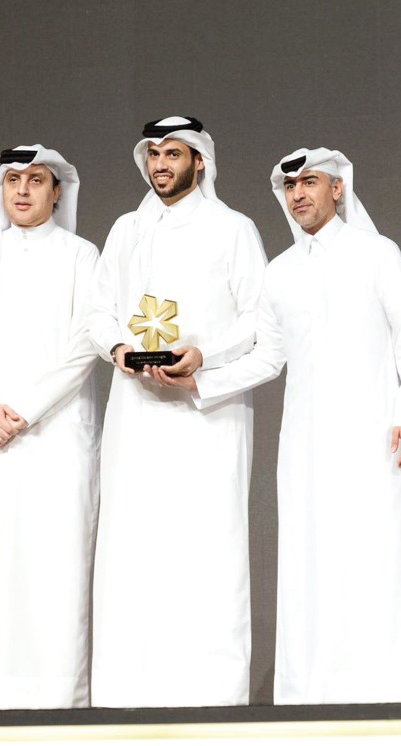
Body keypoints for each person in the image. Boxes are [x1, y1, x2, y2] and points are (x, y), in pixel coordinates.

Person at [166, 148, 401, 704]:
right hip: (306, 444)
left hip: (374, 438)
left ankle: (391, 692)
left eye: (309, 183)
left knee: (376, 558)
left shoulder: (378, 253)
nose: (299, 195)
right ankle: (311, 695)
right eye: (290, 187)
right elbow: (269, 355)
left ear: (338, 189)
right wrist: (203, 380)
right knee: (309, 566)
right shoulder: (280, 272)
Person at [85, 116, 267, 707]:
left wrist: (202, 357)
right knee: (133, 547)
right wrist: (118, 350)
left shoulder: (233, 229)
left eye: (173, 154)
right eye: (154, 154)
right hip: (136, 415)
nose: (161, 164)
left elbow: (258, 322)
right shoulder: (125, 230)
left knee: (205, 550)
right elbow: (99, 309)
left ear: (200, 162)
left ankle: (211, 697)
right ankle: (126, 696)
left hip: (206, 416)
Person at [0, 146, 101, 709]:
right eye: (13, 180)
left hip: (55, 436)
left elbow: (87, 346)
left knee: (52, 563)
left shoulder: (83, 256)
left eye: (36, 180)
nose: (24, 191)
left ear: (59, 191)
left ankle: (55, 699)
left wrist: (24, 410)